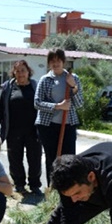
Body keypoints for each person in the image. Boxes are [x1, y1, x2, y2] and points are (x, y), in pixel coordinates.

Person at [34, 48, 84, 186]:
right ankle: (53, 189)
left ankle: (68, 189)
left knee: (68, 160)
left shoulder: (73, 79)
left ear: (63, 61)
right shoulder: (45, 80)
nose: (55, 64)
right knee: (52, 158)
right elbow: (37, 103)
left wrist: (74, 87)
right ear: (49, 63)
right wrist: (58, 106)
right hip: (47, 126)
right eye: (52, 61)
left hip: (68, 125)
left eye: (58, 61)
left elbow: (79, 104)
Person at [0, 60, 42, 195]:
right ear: (14, 72)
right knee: (14, 159)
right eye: (17, 71)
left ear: (28, 71)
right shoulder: (8, 88)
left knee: (35, 159)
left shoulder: (35, 87)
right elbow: (0, 110)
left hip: (33, 132)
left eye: (23, 70)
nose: (20, 73)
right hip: (13, 132)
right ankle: (19, 184)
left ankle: (35, 185)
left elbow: (42, 108)